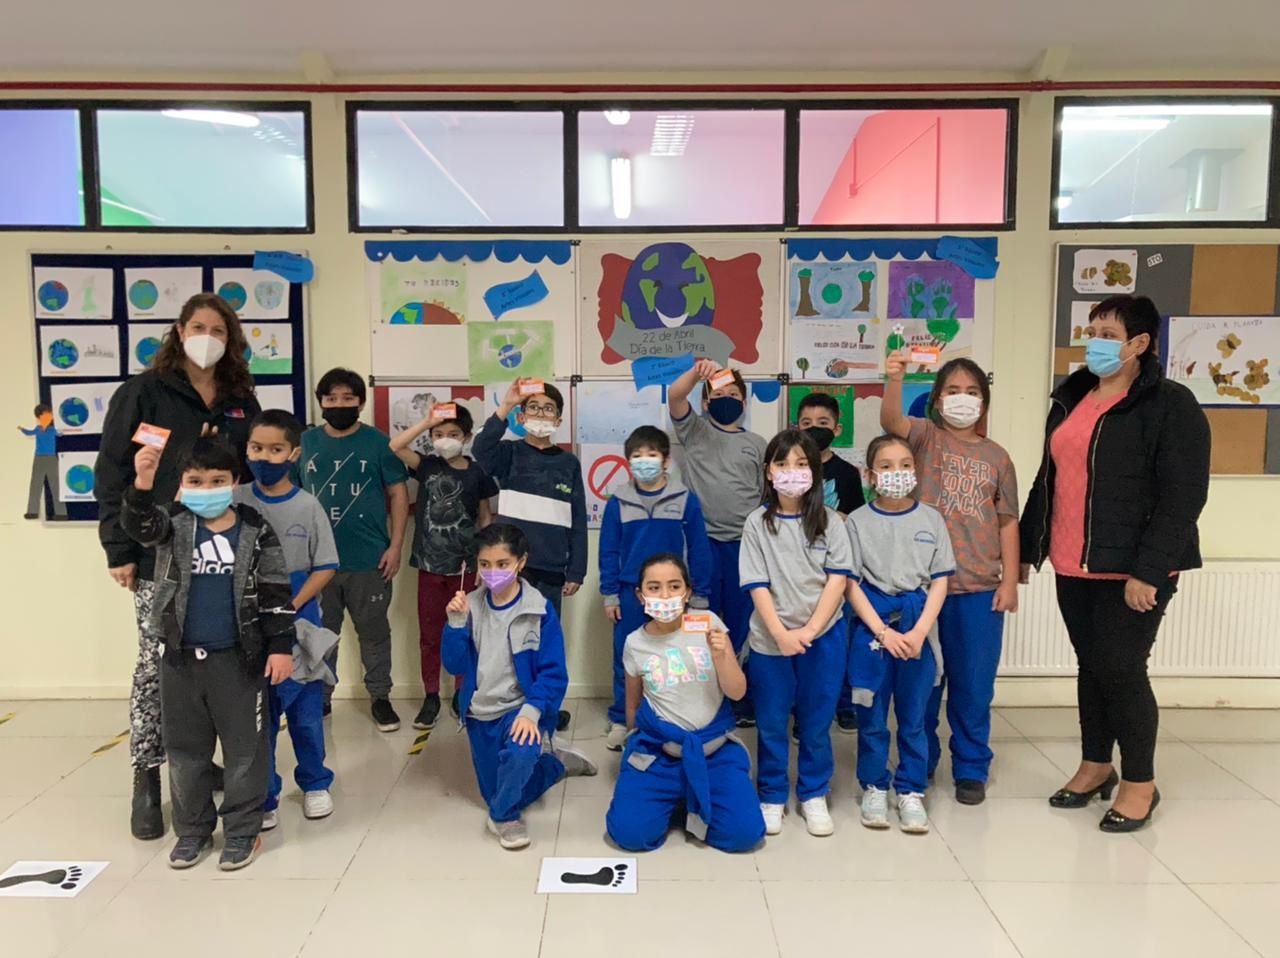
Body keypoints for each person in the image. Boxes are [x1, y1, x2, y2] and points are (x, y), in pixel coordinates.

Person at [1020, 295, 1210, 833]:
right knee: (1092, 666)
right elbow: (1048, 477)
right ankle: (1095, 764)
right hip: (1071, 560)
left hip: (1131, 569)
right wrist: (1028, 548)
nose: (1095, 339)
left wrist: (1149, 570)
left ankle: (1140, 783)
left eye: (1107, 330)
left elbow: (1184, 495)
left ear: (1140, 343)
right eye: (1092, 328)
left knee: (1123, 671)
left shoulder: (1171, 404)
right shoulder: (1073, 397)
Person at [96, 292, 261, 840]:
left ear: (232, 339)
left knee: (217, 659)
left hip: (223, 549)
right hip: (157, 548)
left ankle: (199, 763)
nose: (207, 336)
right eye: (198, 326)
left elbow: (253, 465)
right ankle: (146, 777)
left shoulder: (239, 398)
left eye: (219, 328)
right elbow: (113, 470)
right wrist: (118, 549)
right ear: (179, 329)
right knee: (157, 663)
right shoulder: (144, 393)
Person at [122, 435, 294, 870]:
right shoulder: (173, 522)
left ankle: (241, 832)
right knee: (186, 752)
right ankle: (193, 831)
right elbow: (139, 525)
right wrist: (142, 483)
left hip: (239, 659)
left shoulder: (255, 528)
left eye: (217, 480)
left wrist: (280, 647)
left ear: (235, 481)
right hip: (180, 659)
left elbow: (276, 591)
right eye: (195, 481)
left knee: (244, 751)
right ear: (181, 484)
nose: (206, 488)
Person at [880, 352, 1019, 806]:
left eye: (973, 392)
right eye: (953, 391)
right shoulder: (926, 438)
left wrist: (1009, 580)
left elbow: (1007, 521)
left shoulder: (998, 457)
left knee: (973, 686)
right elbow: (891, 419)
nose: (963, 399)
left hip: (979, 589)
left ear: (985, 401)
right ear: (937, 400)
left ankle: (971, 767)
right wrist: (894, 377)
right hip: (922, 590)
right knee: (922, 687)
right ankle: (920, 764)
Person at [442, 523, 597, 849]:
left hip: (520, 708)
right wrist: (455, 625)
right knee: (494, 791)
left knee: (518, 761)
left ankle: (504, 817)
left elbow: (554, 674)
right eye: (485, 565)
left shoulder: (539, 611)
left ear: (521, 562)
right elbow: (454, 665)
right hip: (480, 712)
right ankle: (555, 765)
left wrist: (531, 711)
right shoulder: (469, 605)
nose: (493, 573)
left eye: (503, 564)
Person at [605, 554, 765, 853]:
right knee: (630, 834)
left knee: (745, 835)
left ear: (687, 592)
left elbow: (737, 692)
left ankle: (691, 796)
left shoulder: (708, 624)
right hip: (660, 752)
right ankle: (669, 797)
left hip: (713, 750)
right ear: (640, 596)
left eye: (674, 586)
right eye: (654, 588)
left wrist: (721, 657)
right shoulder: (634, 643)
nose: (664, 595)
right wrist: (633, 755)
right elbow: (632, 705)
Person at [738, 428, 852, 837]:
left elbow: (838, 581)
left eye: (802, 464)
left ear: (815, 472)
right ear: (768, 472)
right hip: (771, 641)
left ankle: (813, 793)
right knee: (770, 721)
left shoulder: (831, 523)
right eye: (782, 464)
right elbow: (757, 585)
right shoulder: (756, 524)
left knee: (816, 721)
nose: (792, 472)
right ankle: (771, 794)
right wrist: (782, 635)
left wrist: (810, 631)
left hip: (823, 639)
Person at [234, 410, 339, 830]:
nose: (265, 457)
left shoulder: (307, 505)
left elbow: (326, 565)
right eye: (257, 448)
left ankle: (315, 784)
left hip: (300, 631)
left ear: (293, 453)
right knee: (259, 722)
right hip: (249, 631)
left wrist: (290, 605)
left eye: (276, 449)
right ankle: (267, 793)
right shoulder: (236, 499)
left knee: (306, 717)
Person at [846, 435, 954, 834]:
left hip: (918, 627)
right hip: (872, 630)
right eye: (886, 466)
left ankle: (911, 789)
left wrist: (920, 631)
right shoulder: (857, 521)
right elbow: (850, 583)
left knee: (914, 716)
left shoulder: (931, 519)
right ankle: (874, 786)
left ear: (915, 471)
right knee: (871, 713)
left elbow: (941, 580)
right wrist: (881, 631)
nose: (897, 473)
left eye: (905, 465)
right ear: (870, 474)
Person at [471, 379, 587, 730]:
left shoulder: (569, 463)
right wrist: (506, 405)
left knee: (544, 643)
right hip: (510, 569)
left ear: (559, 418)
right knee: (503, 641)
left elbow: (578, 520)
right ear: (522, 415)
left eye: (548, 408)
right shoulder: (509, 454)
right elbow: (481, 447)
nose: (540, 413)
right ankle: (508, 706)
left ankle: (544, 710)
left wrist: (576, 571)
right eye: (533, 407)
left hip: (552, 569)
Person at [299, 368, 409, 732]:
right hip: (318, 564)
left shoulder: (379, 443)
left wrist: (395, 546)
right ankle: (321, 699)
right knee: (320, 634)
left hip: (370, 559)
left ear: (360, 402)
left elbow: (398, 494)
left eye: (348, 398)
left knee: (374, 633)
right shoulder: (306, 443)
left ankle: (380, 698)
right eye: (331, 399)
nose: (339, 404)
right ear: (321, 402)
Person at [599, 426, 713, 750]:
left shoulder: (685, 499)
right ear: (628, 462)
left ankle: (670, 713)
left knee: (674, 655)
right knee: (626, 656)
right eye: (637, 456)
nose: (644, 461)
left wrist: (700, 596)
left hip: (676, 593)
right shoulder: (617, 501)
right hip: (630, 593)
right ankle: (623, 719)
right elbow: (608, 550)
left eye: (651, 454)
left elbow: (699, 548)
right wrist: (610, 594)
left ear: (666, 460)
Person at [668, 358, 767, 726]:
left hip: (745, 547)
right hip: (702, 546)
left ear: (745, 401)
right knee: (703, 622)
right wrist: (698, 374)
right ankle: (704, 701)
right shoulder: (695, 430)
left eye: (734, 393)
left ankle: (741, 702)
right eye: (719, 394)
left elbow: (764, 495)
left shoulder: (757, 444)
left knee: (743, 628)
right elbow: (675, 396)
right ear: (706, 402)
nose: (727, 398)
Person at [390, 403, 497, 730]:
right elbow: (395, 447)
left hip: (465, 568)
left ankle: (462, 693)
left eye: (453, 434)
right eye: (439, 434)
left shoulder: (477, 472)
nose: (445, 439)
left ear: (466, 437)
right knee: (430, 634)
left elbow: (485, 517)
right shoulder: (427, 466)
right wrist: (426, 421)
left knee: (465, 632)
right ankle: (432, 695)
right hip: (429, 566)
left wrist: (484, 560)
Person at [795, 390, 865, 733]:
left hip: (837, 567)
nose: (814, 429)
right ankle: (802, 708)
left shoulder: (848, 472)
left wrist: (835, 516)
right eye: (807, 423)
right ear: (797, 427)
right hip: (798, 570)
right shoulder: (790, 470)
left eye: (823, 423)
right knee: (803, 640)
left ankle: (844, 702)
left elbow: (856, 518)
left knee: (840, 638)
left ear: (837, 428)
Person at [20, 403, 67, 520]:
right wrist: (22, 429)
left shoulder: (52, 430)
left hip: (51, 458)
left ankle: (61, 513)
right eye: (46, 414)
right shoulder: (38, 429)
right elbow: (29, 432)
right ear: (39, 417)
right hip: (39, 458)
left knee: (55, 485)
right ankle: (32, 511)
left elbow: (60, 433)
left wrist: (63, 430)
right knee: (36, 484)